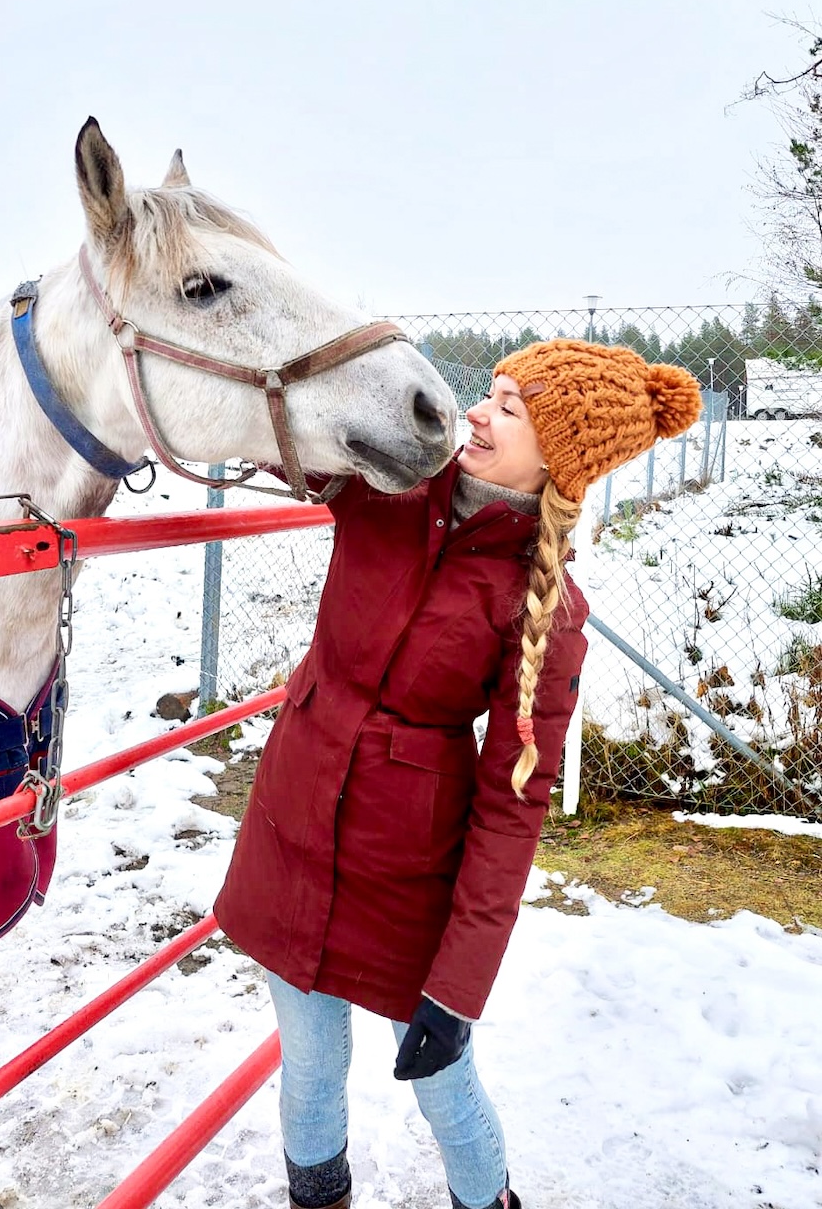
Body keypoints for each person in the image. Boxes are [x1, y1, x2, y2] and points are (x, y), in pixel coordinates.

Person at [214, 340, 702, 1209]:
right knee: (310, 1067)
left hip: (407, 875)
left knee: (444, 1087)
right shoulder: (390, 485)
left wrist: (458, 987)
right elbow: (275, 428)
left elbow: (514, 808)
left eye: (510, 408)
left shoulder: (543, 609)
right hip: (290, 828)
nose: (477, 410)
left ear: (559, 456)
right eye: (491, 392)